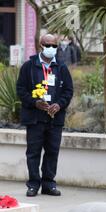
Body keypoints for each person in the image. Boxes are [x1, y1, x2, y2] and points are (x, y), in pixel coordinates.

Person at [16, 34, 74, 197]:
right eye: (48, 45)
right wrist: (34, 102)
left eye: (54, 46)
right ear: (41, 45)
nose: (51, 48)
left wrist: (59, 104)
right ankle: (34, 184)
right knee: (33, 152)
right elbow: (21, 90)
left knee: (52, 151)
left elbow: (68, 90)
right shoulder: (29, 66)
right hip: (35, 117)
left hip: (54, 118)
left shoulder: (61, 67)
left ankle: (49, 184)